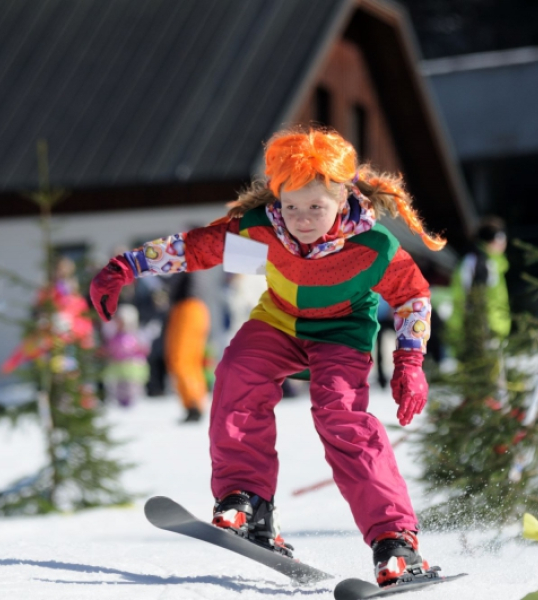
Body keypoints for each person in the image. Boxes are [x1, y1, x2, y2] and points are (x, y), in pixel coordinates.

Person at [89, 127, 444, 587]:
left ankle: (395, 542)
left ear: (343, 197)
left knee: (341, 418)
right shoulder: (260, 230)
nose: (301, 218)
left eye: (316, 206)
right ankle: (248, 500)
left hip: (342, 334)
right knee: (237, 373)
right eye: (291, 205)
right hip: (278, 321)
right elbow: (197, 248)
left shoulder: (373, 247)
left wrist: (410, 363)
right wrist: (127, 265)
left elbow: (413, 297)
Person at [446, 216, 511, 359]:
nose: (501, 245)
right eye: (497, 240)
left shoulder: (495, 262)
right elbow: (468, 297)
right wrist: (479, 328)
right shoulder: (478, 262)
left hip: (497, 326)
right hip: (481, 329)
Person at [164, 272, 211, 422]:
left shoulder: (182, 255)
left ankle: (193, 404)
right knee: (191, 361)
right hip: (194, 308)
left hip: (187, 308)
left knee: (181, 359)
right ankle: (195, 402)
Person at [102, 303, 150, 407]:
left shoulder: (136, 335)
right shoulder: (114, 335)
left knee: (132, 386)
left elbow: (144, 349)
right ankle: (121, 402)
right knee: (119, 386)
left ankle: (132, 403)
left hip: (132, 366)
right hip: (118, 365)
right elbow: (110, 348)